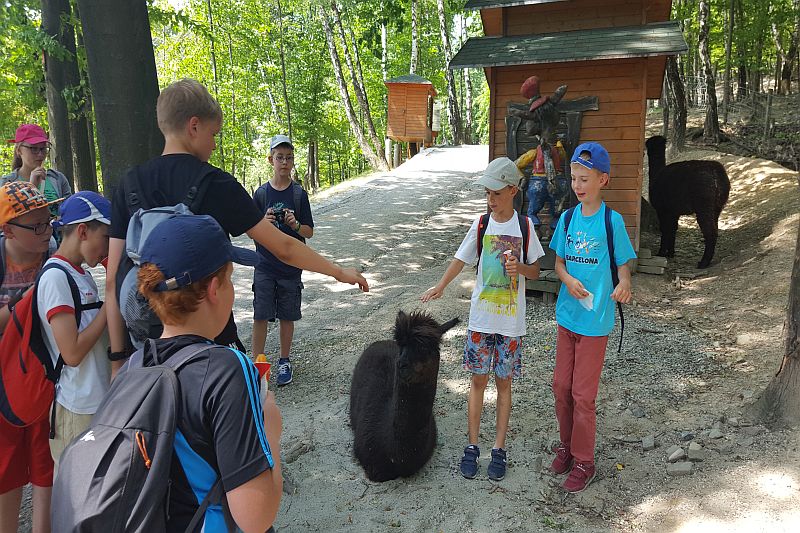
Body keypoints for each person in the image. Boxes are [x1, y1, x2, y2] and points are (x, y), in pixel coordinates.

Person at [105, 78, 368, 372]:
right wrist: (338, 272)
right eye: (213, 133)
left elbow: (114, 279)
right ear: (194, 126)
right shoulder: (216, 184)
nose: (215, 144)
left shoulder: (128, 184)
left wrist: (117, 361)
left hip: (147, 352)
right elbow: (283, 247)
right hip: (209, 350)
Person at [136, 214, 282, 531]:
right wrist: (271, 431)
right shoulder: (227, 370)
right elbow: (256, 517)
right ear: (214, 289)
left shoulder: (136, 366)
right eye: (229, 280)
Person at [421, 157, 544, 482]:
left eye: (496, 194)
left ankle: (499, 448)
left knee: (504, 385)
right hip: (481, 320)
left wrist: (521, 268)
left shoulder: (525, 227)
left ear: (513, 191)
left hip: (510, 324)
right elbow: (461, 260)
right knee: (477, 382)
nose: (490, 200)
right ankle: (472, 446)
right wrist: (441, 286)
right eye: (487, 194)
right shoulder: (481, 224)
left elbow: (536, 270)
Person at [548, 142, 635, 493]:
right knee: (560, 387)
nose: (578, 186)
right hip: (567, 317)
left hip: (595, 323)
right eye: (573, 178)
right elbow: (558, 264)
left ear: (604, 179)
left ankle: (585, 461)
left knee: (583, 394)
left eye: (585, 179)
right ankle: (567, 447)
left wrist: (624, 283)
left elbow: (624, 265)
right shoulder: (567, 219)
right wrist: (568, 280)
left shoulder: (611, 221)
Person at [0, 181, 62, 533]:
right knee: (6, 468)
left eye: (49, 221)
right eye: (37, 225)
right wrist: (27, 301)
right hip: (4, 382)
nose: (46, 231)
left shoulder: (52, 257)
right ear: (8, 230)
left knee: (44, 461)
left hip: (41, 378)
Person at [37, 191, 111, 470]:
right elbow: (72, 353)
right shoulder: (56, 277)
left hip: (93, 401)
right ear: (82, 231)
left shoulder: (81, 274)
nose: (106, 246)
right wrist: (109, 306)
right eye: (104, 237)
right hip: (76, 407)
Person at [251, 135, 314, 386]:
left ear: (293, 161)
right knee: (261, 314)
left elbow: (309, 231)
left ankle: (284, 361)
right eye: (279, 157)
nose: (284, 162)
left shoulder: (299, 194)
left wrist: (295, 224)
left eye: (288, 158)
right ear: (271, 160)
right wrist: (262, 223)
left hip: (291, 265)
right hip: (264, 263)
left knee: (288, 314)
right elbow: (249, 229)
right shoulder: (261, 194)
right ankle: (258, 364)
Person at [3, 124, 72, 218]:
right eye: (34, 149)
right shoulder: (6, 184)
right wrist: (31, 187)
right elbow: (8, 221)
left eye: (43, 149)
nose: (40, 154)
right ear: (19, 150)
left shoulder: (58, 179)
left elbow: (70, 214)